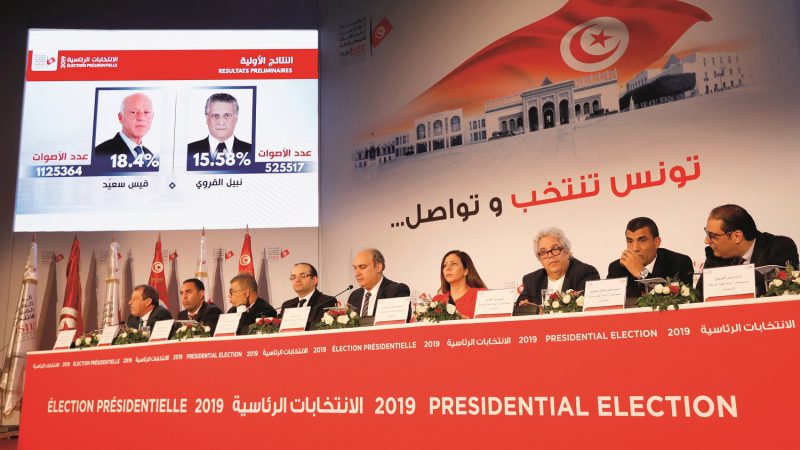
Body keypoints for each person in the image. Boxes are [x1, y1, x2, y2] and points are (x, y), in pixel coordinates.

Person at [699, 204, 799, 297]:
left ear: (737, 236)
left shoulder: (779, 248)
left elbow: (785, 292)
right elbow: (700, 298)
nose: (706, 241)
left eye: (713, 236)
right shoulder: (714, 255)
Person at [607, 217, 694, 299]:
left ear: (657, 242)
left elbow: (680, 300)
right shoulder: (617, 268)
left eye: (642, 240)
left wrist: (643, 274)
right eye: (630, 241)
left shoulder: (679, 263)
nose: (635, 248)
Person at [516, 227, 600, 307]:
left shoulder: (585, 273)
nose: (550, 255)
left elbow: (588, 309)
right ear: (540, 260)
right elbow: (519, 309)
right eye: (543, 252)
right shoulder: (532, 281)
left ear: (567, 251)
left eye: (555, 249)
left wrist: (542, 312)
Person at [347, 249, 410, 317]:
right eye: (355, 268)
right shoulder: (354, 296)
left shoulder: (396, 291)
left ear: (378, 267)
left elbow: (400, 320)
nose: (356, 273)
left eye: (362, 267)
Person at [187, 93, 252, 159]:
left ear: (236, 119)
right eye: (215, 116)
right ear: (207, 119)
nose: (221, 122)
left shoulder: (251, 150)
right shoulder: (188, 150)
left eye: (227, 115)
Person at [95, 92, 155, 158]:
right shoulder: (100, 153)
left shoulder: (151, 157)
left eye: (146, 112)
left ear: (152, 117)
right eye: (134, 112)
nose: (141, 118)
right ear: (120, 117)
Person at [280, 263, 337, 331]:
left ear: (314, 280)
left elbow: (322, 328)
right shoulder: (287, 305)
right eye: (293, 277)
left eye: (303, 275)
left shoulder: (326, 301)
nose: (297, 280)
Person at [431, 250, 487, 319]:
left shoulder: (481, 295)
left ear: (466, 271)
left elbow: (492, 322)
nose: (448, 268)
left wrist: (468, 322)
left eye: (453, 264)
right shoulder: (438, 300)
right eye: (445, 265)